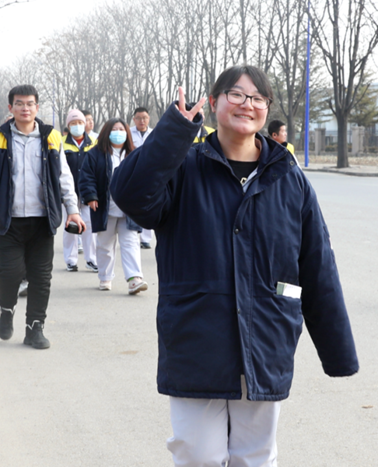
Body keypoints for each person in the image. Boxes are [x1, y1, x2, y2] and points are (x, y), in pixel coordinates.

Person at [110, 65, 359, 466]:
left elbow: (318, 265)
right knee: (197, 453)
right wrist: (175, 131)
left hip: (266, 337)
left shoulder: (287, 178)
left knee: (255, 456)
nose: (248, 105)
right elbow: (129, 194)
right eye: (237, 95)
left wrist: (338, 351)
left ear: (267, 108)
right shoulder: (183, 166)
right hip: (197, 338)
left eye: (258, 98)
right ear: (214, 102)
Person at [0, 84, 86, 350]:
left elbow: (64, 177)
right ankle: (6, 309)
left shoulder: (52, 137)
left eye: (30, 103)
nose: (25, 108)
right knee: (10, 273)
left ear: (37, 107)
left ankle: (35, 328)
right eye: (20, 103)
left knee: (41, 278)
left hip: (42, 221)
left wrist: (73, 210)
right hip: (9, 221)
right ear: (10, 107)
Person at [79, 118, 147, 294]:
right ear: (107, 133)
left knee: (131, 243)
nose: (118, 133)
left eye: (122, 129)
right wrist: (90, 196)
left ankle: (134, 279)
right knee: (105, 245)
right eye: (114, 129)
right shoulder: (95, 154)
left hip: (129, 209)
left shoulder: (135, 154)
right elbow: (87, 177)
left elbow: (144, 178)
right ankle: (105, 277)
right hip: (104, 208)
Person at [62, 108, 98, 273]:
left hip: (88, 191)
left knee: (89, 225)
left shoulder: (94, 143)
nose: (77, 126)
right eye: (73, 123)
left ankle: (91, 259)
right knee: (70, 226)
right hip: (69, 192)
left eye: (80, 122)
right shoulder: (61, 142)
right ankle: (71, 260)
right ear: (68, 126)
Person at [130, 107, 155, 249]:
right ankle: (134, 233)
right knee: (134, 203)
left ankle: (146, 238)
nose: (142, 121)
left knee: (148, 204)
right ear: (134, 119)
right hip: (133, 171)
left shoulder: (154, 133)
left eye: (144, 118)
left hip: (150, 172)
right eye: (138, 118)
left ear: (148, 119)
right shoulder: (128, 133)